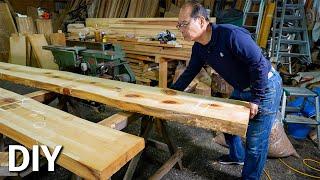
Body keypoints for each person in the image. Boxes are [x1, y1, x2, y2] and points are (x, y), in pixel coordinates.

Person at [171, 1, 283, 179]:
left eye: (184, 24)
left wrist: (256, 99)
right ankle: (237, 156)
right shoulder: (199, 47)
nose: (181, 29)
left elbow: (260, 64)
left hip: (264, 85)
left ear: (201, 21)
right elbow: (191, 71)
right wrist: (172, 92)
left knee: (255, 144)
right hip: (242, 87)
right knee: (228, 124)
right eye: (179, 25)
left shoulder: (231, 35)